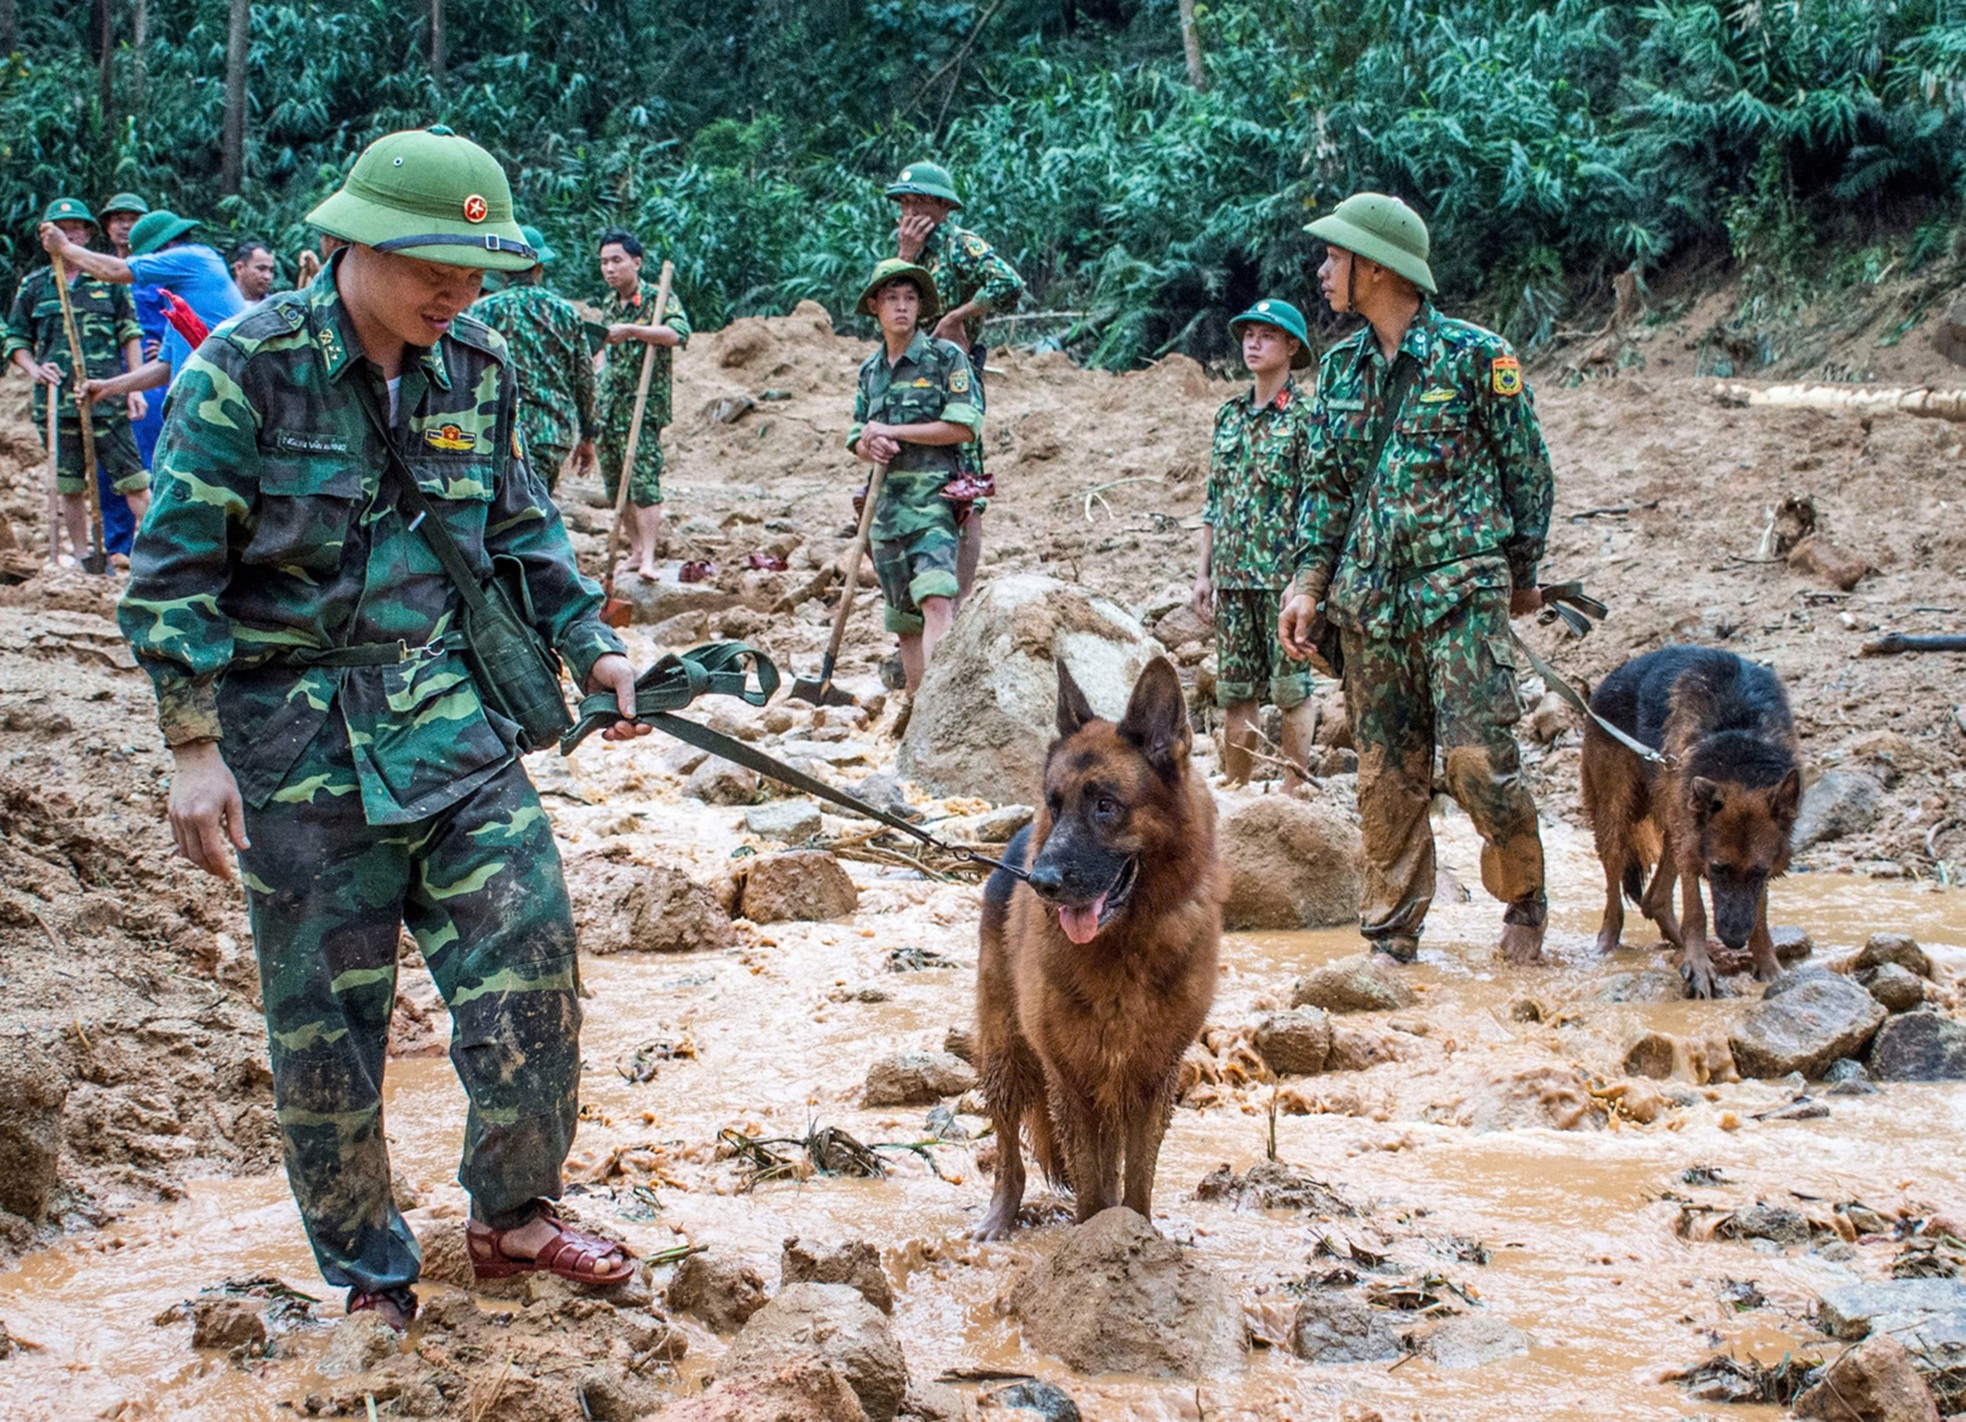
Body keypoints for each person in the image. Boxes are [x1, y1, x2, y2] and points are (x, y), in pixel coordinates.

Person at [117, 126, 650, 1333]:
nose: (454, 290)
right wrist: (192, 749)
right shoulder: (244, 371)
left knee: (532, 971)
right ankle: (369, 1273)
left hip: (450, 727)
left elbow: (522, 526)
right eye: (431, 266)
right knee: (327, 1037)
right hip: (294, 751)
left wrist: (594, 646)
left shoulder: (482, 363)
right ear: (347, 243)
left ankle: (513, 1216)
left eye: (474, 270)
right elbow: (171, 575)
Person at [1278, 193, 1554, 966]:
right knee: (1385, 778)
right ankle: (1390, 940)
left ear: (1377, 265)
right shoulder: (1338, 370)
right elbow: (1326, 490)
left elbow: (1527, 471)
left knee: (1476, 761)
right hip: (1370, 606)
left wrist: (1524, 574)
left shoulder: (1477, 356)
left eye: (1335, 256)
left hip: (1461, 595)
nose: (1323, 268)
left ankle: (1524, 900)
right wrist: (1306, 585)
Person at [42, 208, 245, 558]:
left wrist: (65, 248)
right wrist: (109, 386)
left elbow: (117, 271)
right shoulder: (179, 302)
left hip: (226, 400)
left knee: (203, 491)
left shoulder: (195, 258)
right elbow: (165, 366)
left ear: (161, 250)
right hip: (198, 404)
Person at [1193, 298, 1317, 790]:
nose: (1253, 342)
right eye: (1248, 334)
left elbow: (1317, 502)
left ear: (1292, 347)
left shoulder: (1307, 417)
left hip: (1282, 576)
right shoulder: (1229, 416)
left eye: (1266, 335)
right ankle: (1237, 784)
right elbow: (1213, 500)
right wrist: (1203, 574)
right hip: (1232, 574)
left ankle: (1293, 788)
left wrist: (1303, 577)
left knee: (1290, 688)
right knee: (1235, 690)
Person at [886, 160, 1022, 601]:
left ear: (942, 207)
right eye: (903, 203)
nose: (909, 213)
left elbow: (1007, 282)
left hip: (955, 378)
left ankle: (958, 602)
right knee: (909, 482)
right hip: (907, 384)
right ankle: (917, 602)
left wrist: (958, 316)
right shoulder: (904, 257)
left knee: (965, 489)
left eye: (918, 202)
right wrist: (904, 257)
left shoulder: (960, 247)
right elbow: (884, 313)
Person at [847, 258, 980, 693]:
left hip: (935, 503)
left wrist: (894, 431)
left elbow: (963, 426)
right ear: (874, 307)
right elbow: (857, 435)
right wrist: (870, 443)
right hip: (886, 510)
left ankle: (944, 703)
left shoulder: (946, 359)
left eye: (909, 298)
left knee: (938, 598)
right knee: (904, 618)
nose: (901, 307)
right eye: (891, 298)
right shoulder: (870, 372)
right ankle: (922, 711)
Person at [2, 197, 149, 560]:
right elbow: (17, 338)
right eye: (61, 229)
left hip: (106, 395)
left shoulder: (108, 280)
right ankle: (83, 559)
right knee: (69, 484)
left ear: (86, 234)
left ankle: (154, 558)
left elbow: (129, 332)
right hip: (58, 401)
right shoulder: (35, 286)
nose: (69, 234)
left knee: (133, 480)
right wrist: (35, 369)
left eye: (75, 229)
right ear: (46, 235)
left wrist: (134, 386)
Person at [470, 224, 596, 493]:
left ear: (502, 268)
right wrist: (588, 435)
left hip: (496, 432)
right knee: (536, 510)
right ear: (539, 268)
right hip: (553, 434)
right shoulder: (567, 313)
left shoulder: (483, 311)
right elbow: (585, 379)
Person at [595, 229, 689, 580]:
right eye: (604, 262)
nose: (610, 269)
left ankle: (649, 556)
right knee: (617, 481)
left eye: (616, 260)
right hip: (611, 407)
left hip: (643, 406)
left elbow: (678, 333)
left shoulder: (658, 298)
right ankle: (634, 551)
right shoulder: (607, 304)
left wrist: (634, 330)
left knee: (644, 481)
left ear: (636, 262)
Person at [99, 192, 148, 260]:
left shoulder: (157, 264)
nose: (126, 226)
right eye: (118, 219)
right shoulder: (99, 266)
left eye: (133, 220)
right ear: (107, 226)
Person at [230, 238, 279, 305]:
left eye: (271, 270)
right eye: (261, 269)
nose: (268, 276)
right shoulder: (219, 303)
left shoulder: (275, 307)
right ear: (239, 268)